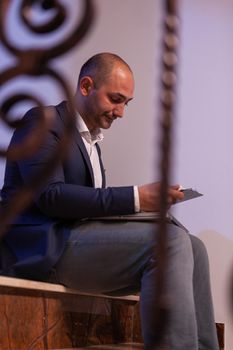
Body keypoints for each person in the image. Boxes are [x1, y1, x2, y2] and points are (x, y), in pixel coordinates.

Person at [0, 52, 218, 349]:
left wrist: (145, 210)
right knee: (169, 242)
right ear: (86, 86)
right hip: (43, 250)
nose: (121, 112)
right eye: (116, 99)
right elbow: (51, 196)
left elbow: (88, 207)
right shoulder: (43, 121)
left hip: (74, 243)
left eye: (126, 103)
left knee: (195, 246)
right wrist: (137, 198)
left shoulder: (91, 143)